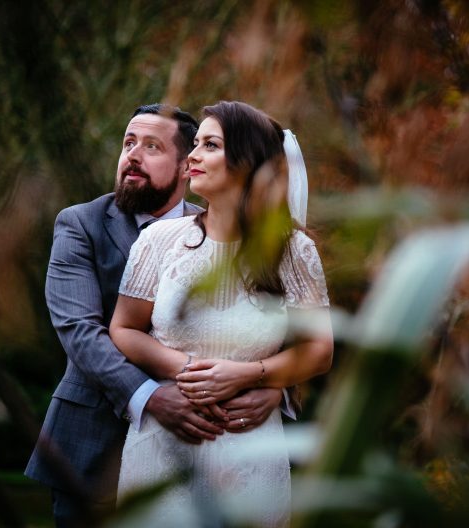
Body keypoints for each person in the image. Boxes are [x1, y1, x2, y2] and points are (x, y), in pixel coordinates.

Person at [24, 103, 286, 528]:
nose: (133, 155)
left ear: (188, 165)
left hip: (218, 452)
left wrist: (276, 389)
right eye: (128, 143)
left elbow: (270, 330)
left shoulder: (231, 234)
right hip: (94, 447)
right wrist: (151, 397)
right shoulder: (80, 224)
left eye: (151, 147)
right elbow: (81, 332)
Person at [109, 101, 333, 527]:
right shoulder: (159, 241)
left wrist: (250, 374)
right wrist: (188, 368)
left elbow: (320, 351)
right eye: (194, 144)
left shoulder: (294, 250)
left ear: (248, 163)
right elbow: (123, 328)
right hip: (165, 444)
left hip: (252, 451)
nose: (192, 156)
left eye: (209, 145)